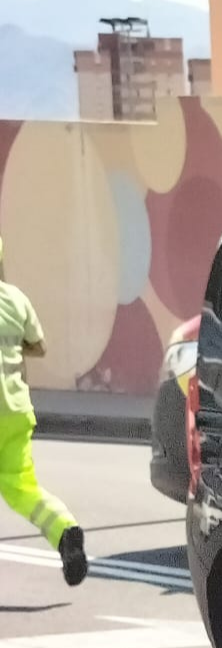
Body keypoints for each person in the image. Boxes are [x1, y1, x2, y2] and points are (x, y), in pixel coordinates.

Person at [0, 236, 88, 586]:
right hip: (16, 411)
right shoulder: (16, 299)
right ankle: (64, 530)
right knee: (23, 487)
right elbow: (39, 346)